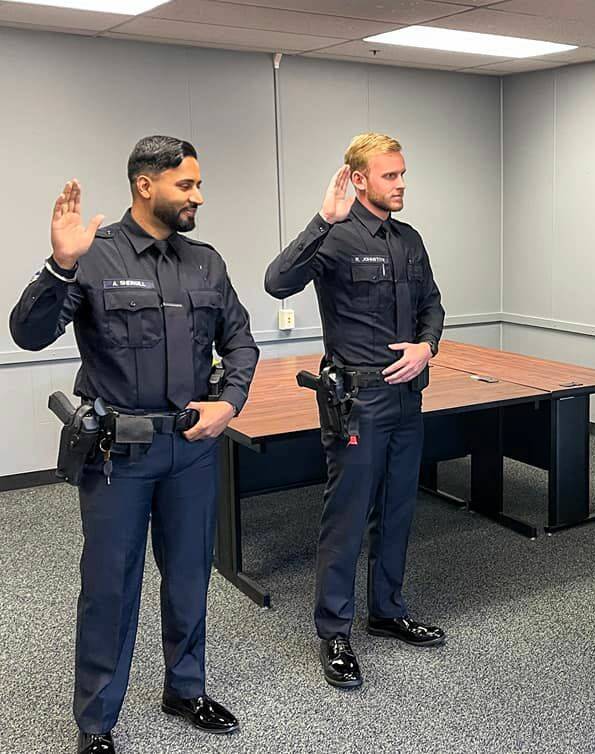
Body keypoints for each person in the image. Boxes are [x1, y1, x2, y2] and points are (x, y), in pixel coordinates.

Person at [10, 136, 259, 754]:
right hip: (118, 456)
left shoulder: (207, 263)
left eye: (198, 184)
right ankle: (96, 724)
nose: (198, 195)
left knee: (188, 577)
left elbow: (242, 344)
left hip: (191, 450)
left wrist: (228, 402)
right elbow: (29, 334)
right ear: (145, 185)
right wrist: (59, 267)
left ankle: (185, 688)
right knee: (110, 586)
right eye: (187, 185)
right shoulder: (93, 256)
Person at [265, 132, 445, 690]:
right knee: (346, 516)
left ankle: (388, 611)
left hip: (405, 397)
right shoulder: (336, 238)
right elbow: (276, 282)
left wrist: (426, 346)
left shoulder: (410, 240)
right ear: (359, 178)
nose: (401, 184)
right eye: (390, 175)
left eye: (402, 174)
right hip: (357, 401)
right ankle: (334, 631)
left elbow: (433, 304)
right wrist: (321, 219)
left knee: (397, 509)